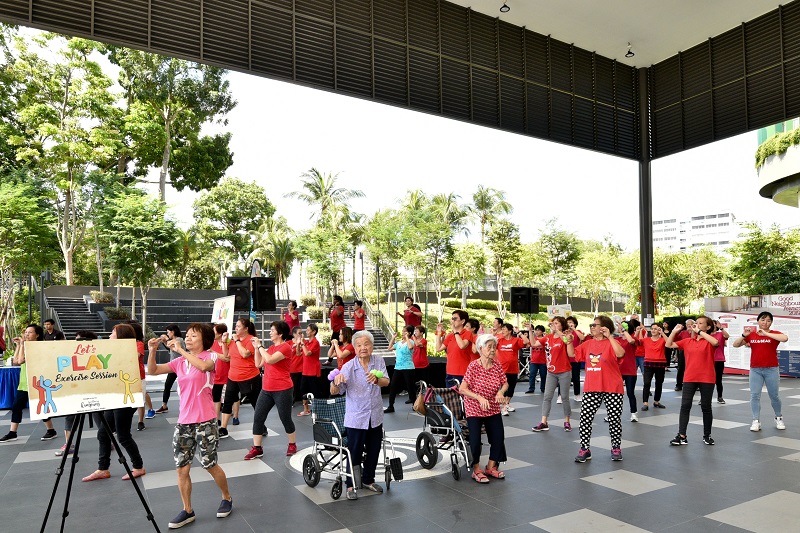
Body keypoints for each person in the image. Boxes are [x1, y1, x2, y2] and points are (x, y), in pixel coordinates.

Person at [146, 323, 232, 529]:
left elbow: (203, 368)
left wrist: (181, 350)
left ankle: (227, 497)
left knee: (209, 464)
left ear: (205, 340)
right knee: (181, 470)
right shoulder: (179, 362)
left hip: (206, 421)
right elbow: (153, 370)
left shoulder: (210, 357)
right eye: (188, 335)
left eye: (194, 335)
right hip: (184, 423)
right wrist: (152, 351)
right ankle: (187, 510)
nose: (189, 338)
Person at [330, 330, 390, 500]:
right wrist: (335, 382)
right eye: (359, 345)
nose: (363, 348)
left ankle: (368, 480)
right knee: (354, 452)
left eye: (366, 344)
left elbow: (387, 381)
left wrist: (377, 380)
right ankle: (350, 486)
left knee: (374, 450)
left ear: (372, 346)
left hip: (375, 416)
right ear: (354, 348)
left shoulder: (378, 361)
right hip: (356, 418)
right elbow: (335, 391)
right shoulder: (348, 367)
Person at [82, 323, 146, 481]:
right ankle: (103, 468)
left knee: (123, 435)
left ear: (121, 337)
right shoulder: (112, 350)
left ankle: (138, 466)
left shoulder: (132, 349)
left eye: (113, 333)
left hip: (127, 395)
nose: (109, 336)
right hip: (115, 395)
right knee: (103, 433)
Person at [566, 316, 626, 462]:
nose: (592, 327)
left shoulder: (613, 342)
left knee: (614, 419)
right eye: (591, 325)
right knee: (585, 418)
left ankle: (616, 447)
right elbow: (572, 354)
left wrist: (610, 336)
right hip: (592, 387)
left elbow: (620, 354)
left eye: (595, 325)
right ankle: (585, 448)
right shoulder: (588, 344)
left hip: (612, 387)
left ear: (604, 327)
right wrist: (568, 342)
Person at [245, 320, 298, 460]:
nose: (270, 332)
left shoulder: (286, 347)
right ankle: (257, 448)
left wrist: (260, 346)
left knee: (285, 418)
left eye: (272, 330)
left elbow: (270, 360)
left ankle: (292, 444)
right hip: (267, 389)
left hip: (283, 389)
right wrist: (256, 348)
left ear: (280, 334)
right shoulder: (271, 348)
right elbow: (258, 363)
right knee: (258, 418)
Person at [459, 334, 508, 483]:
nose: (493, 350)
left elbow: (505, 383)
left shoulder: (497, 365)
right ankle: (476, 469)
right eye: (489, 347)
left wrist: (501, 391)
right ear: (481, 348)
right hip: (474, 407)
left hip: (492, 407)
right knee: (475, 439)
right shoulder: (474, 366)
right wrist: (479, 397)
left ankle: (491, 467)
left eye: (494, 347)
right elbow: (462, 389)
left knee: (498, 437)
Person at [0, 324, 57, 443]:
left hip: (36, 382)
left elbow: (20, 360)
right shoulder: (26, 346)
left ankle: (51, 430)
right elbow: (15, 361)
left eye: (30, 332)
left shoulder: (37, 347)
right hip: (24, 382)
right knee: (16, 406)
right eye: (26, 332)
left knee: (40, 407)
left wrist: (21, 345)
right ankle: (12, 432)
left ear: (37, 335)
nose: (26, 334)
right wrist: (19, 345)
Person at [666, 317, 719, 446]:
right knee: (685, 406)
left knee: (706, 407)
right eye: (696, 323)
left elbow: (716, 342)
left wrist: (700, 332)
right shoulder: (688, 341)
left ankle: (707, 435)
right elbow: (668, 344)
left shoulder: (709, 341)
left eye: (700, 323)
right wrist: (674, 331)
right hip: (689, 377)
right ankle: (682, 435)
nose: (696, 325)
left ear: (707, 327)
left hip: (707, 378)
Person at [732, 311, 788, 431]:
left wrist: (766, 334)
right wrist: (744, 335)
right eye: (763, 320)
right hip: (755, 370)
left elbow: (785, 338)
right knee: (755, 395)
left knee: (774, 396)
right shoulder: (752, 335)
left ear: (771, 322)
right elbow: (735, 345)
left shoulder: (774, 334)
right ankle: (755, 420)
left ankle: (778, 417)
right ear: (758, 321)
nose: (765, 322)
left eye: (768, 320)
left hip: (772, 369)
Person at [56, 330, 99, 456]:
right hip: (75, 390)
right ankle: (69, 443)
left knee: (99, 416)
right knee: (70, 417)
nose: (76, 342)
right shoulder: (69, 354)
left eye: (78, 339)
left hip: (92, 391)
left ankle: (107, 439)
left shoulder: (95, 355)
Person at [219, 317, 260, 438]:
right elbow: (226, 355)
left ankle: (261, 426)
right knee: (227, 401)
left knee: (256, 403)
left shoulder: (251, 340)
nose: (235, 329)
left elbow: (244, 354)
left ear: (246, 329)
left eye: (238, 327)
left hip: (249, 376)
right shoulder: (233, 340)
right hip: (233, 376)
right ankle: (223, 428)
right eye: (235, 326)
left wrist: (236, 341)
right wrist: (224, 342)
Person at [531, 317, 574, 431]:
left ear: (562, 325)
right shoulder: (548, 338)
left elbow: (567, 342)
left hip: (564, 371)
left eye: (556, 323)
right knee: (547, 397)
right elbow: (533, 343)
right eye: (553, 323)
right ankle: (544, 422)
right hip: (551, 371)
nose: (553, 325)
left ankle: (567, 421)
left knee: (565, 397)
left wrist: (558, 331)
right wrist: (530, 331)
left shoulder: (566, 336)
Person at [435, 310, 476, 387]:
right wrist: (439, 333)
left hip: (462, 372)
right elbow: (438, 349)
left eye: (455, 319)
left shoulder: (467, 333)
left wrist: (455, 332)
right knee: (450, 397)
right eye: (452, 318)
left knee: (462, 397)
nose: (452, 321)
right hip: (450, 371)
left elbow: (462, 346)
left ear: (463, 321)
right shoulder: (450, 335)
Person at [126, 321, 154, 431]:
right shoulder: (126, 344)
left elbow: (135, 356)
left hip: (138, 375)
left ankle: (141, 421)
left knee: (139, 399)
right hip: (127, 375)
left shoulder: (139, 344)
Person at [496, 323, 528, 416]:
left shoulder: (516, 340)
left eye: (504, 329)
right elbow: (489, 344)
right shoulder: (499, 340)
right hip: (502, 369)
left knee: (511, 388)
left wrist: (519, 333)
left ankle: (507, 404)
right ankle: (504, 407)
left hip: (513, 368)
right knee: (504, 389)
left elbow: (526, 342)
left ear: (510, 331)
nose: (503, 331)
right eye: (502, 329)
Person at [210, 323, 239, 426]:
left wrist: (214, 352)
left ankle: (235, 416)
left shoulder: (229, 342)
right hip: (216, 374)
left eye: (214, 331)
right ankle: (217, 418)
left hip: (229, 374)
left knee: (233, 396)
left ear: (220, 333)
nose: (213, 333)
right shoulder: (212, 343)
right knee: (216, 397)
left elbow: (227, 358)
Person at [155, 324, 185, 414]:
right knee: (167, 385)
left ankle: (184, 405)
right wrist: (165, 341)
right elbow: (170, 349)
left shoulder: (179, 340)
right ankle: (164, 405)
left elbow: (173, 347)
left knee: (183, 386)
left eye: (168, 332)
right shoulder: (172, 341)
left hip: (180, 366)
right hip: (173, 366)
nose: (167, 334)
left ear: (173, 331)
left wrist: (166, 340)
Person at [384, 326, 415, 413]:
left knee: (410, 387)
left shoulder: (411, 341)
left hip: (408, 368)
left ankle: (414, 404)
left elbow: (410, 347)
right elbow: (389, 348)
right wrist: (393, 338)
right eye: (403, 330)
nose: (402, 332)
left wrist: (407, 338)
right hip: (398, 367)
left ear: (409, 333)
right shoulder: (399, 343)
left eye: (404, 331)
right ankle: (391, 406)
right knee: (393, 386)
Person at [639, 323, 668, 411]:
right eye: (652, 329)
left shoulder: (663, 340)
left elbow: (669, 342)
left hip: (660, 364)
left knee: (659, 383)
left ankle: (656, 401)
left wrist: (662, 333)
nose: (653, 330)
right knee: (647, 383)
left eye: (656, 329)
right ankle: (645, 403)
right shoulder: (646, 340)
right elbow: (639, 341)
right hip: (648, 363)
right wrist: (640, 331)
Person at [616, 321, 639, 422]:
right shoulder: (617, 340)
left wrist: (624, 330)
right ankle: (613, 414)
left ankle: (634, 413)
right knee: (615, 393)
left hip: (630, 370)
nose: (620, 328)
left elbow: (631, 341)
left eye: (622, 327)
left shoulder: (633, 339)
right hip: (618, 370)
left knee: (630, 393)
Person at [297, 323, 321, 417]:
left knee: (315, 391)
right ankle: (306, 409)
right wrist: (299, 343)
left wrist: (302, 343)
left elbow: (307, 353)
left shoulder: (315, 342)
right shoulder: (306, 342)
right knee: (303, 390)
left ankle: (318, 410)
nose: (306, 331)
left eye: (308, 330)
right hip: (305, 370)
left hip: (313, 371)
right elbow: (299, 353)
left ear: (314, 332)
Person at [565, 316, 585, 401]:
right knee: (564, 378)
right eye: (568, 322)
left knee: (576, 377)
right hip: (565, 358)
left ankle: (577, 394)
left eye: (571, 322)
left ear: (575, 324)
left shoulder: (578, 332)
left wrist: (574, 330)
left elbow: (582, 338)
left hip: (575, 358)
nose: (569, 324)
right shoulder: (564, 332)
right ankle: (561, 395)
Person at [524, 325, 547, 393]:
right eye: (536, 330)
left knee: (543, 375)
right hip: (534, 360)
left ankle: (543, 388)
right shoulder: (533, 339)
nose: (537, 332)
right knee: (532, 375)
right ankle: (531, 388)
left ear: (542, 332)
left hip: (543, 361)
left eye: (539, 330)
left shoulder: (545, 339)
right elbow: (528, 345)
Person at [711, 320, 729, 404]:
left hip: (719, 359)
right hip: (708, 360)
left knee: (718, 380)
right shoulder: (705, 335)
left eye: (714, 324)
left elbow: (727, 336)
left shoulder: (720, 334)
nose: (713, 326)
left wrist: (721, 328)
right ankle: (705, 397)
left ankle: (720, 397)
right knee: (707, 380)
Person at [674, 318, 695, 391]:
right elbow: (676, 340)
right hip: (683, 351)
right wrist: (677, 331)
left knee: (693, 368)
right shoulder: (683, 333)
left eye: (691, 324)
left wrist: (693, 331)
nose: (690, 326)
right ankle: (679, 384)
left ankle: (694, 384)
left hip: (693, 352)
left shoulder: (697, 332)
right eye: (688, 324)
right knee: (681, 368)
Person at [289, 326, 304, 403]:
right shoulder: (289, 343)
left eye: (302, 333)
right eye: (299, 333)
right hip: (293, 367)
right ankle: (291, 401)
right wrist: (294, 346)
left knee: (302, 386)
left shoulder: (304, 342)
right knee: (293, 386)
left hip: (302, 368)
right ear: (294, 334)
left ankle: (303, 401)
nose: (301, 335)